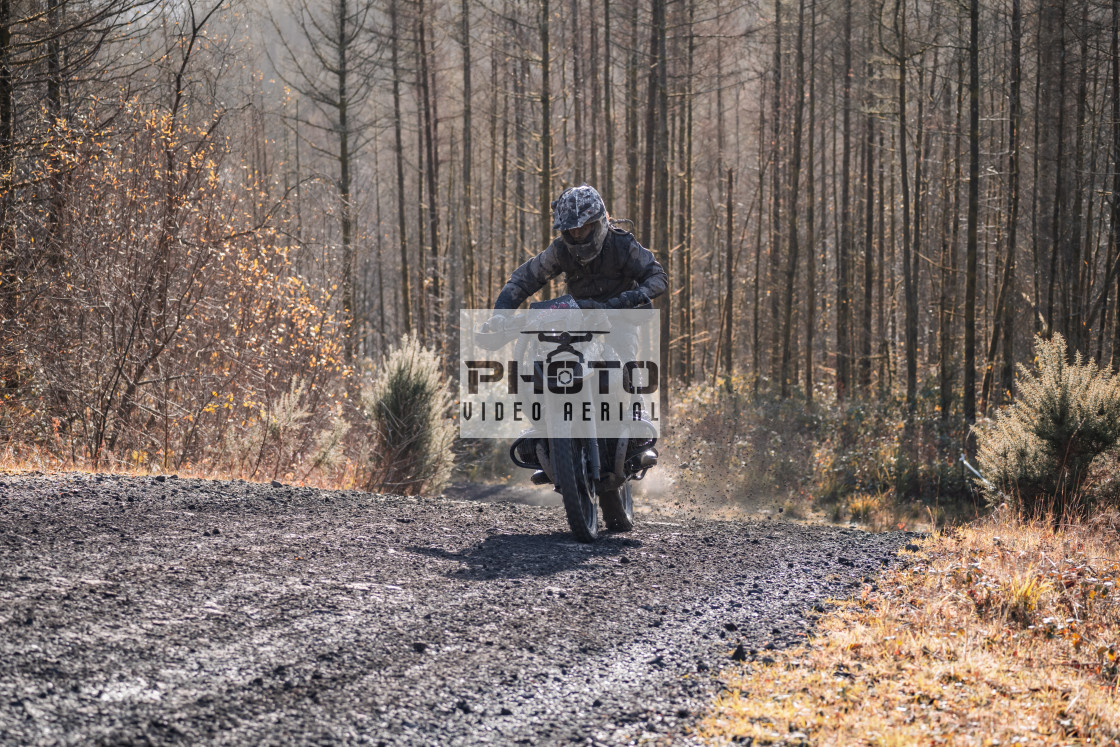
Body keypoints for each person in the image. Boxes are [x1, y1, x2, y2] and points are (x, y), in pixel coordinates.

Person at [483, 184, 667, 325]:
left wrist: (631, 298)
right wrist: (500, 314)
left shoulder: (622, 244)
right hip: (578, 318)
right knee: (543, 359)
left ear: (597, 224)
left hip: (618, 317)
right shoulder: (560, 249)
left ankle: (631, 374)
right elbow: (523, 279)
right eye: (571, 229)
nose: (577, 234)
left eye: (583, 228)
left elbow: (657, 276)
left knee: (625, 363)